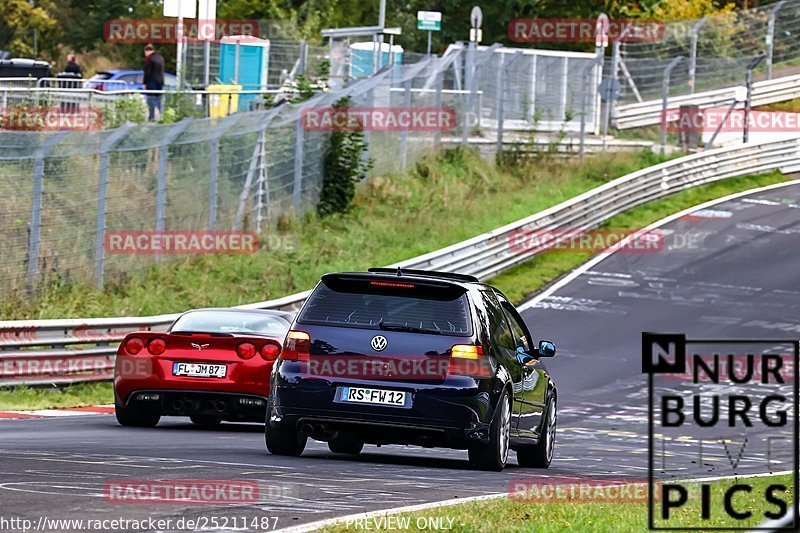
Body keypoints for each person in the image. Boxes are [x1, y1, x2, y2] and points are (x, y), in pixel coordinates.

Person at [143, 44, 165, 121]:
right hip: (160, 82)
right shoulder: (161, 58)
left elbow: (147, 72)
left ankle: (151, 117)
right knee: (159, 100)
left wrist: (144, 83)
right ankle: (162, 116)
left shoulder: (149, 59)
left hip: (151, 82)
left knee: (150, 99)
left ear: (147, 51)